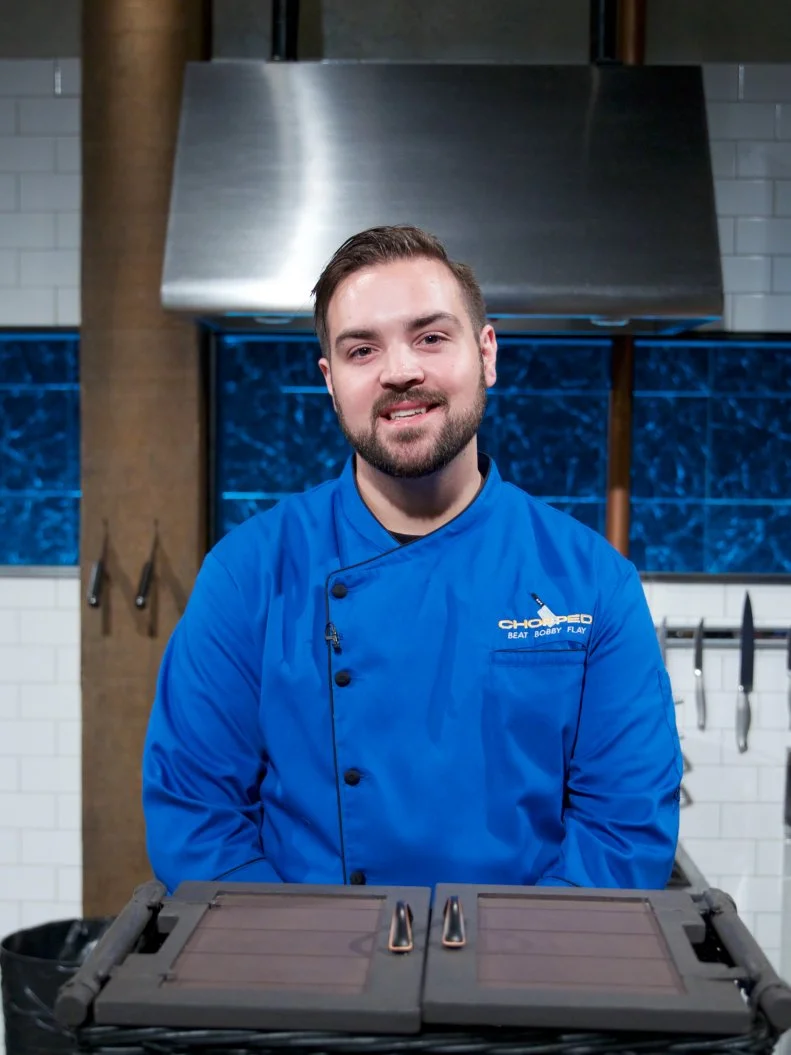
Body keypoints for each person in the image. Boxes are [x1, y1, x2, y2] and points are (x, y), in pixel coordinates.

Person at [142, 224, 682, 894]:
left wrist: (505, 983)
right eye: (361, 349)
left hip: (521, 983)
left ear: (486, 353)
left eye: (430, 336)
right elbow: (196, 818)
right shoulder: (247, 574)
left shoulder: (594, 583)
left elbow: (621, 833)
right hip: (305, 981)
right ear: (331, 381)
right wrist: (301, 974)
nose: (400, 370)